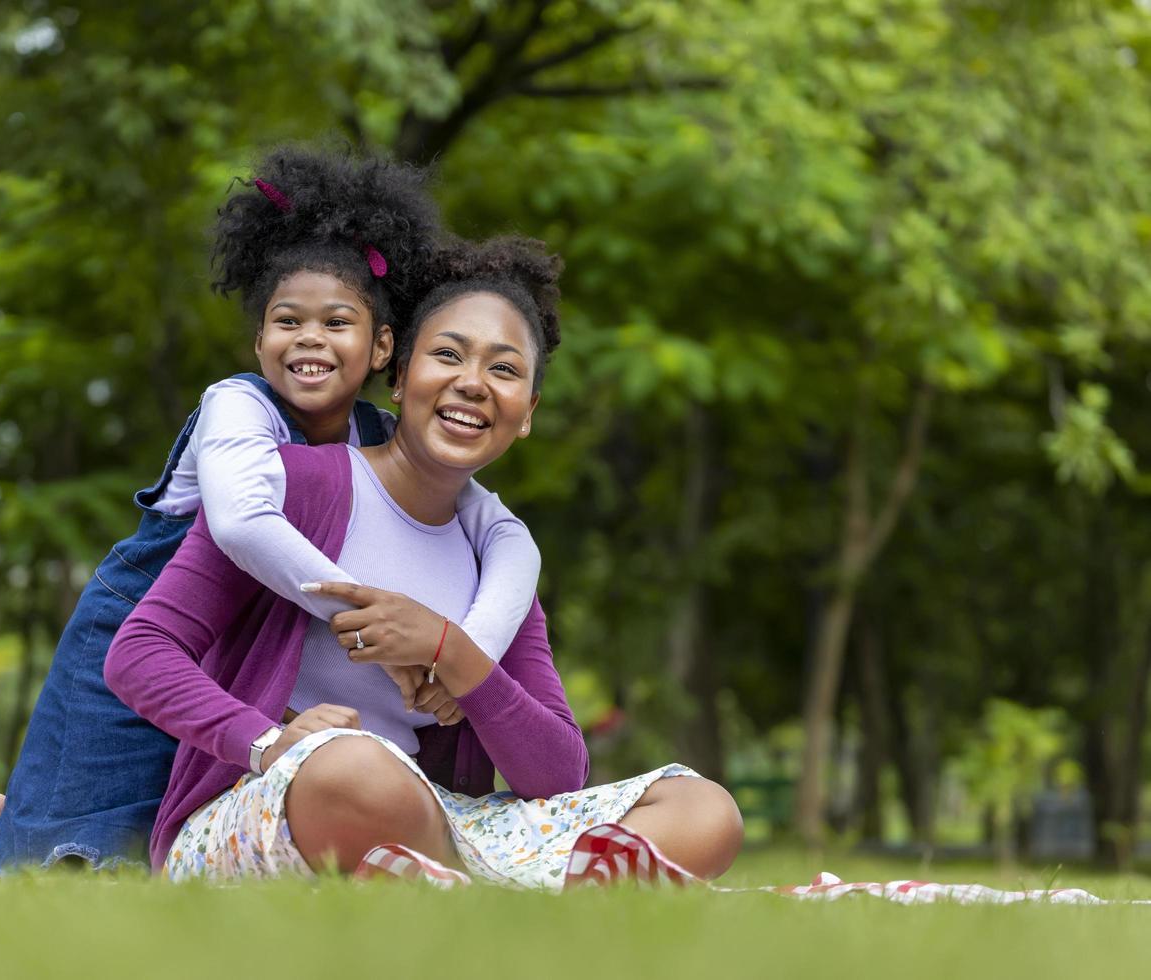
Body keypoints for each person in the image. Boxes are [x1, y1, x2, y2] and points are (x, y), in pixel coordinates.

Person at [0, 148, 542, 875]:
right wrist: (364, 623)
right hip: (147, 627)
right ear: (259, 338)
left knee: (158, 855)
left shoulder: (380, 436)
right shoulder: (237, 408)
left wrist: (457, 651)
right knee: (83, 850)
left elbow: (501, 531)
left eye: (338, 322)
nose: (311, 339)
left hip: (239, 651)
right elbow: (239, 525)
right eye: (287, 321)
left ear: (382, 346)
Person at [104, 237, 744, 889]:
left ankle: (462, 891)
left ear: (527, 414)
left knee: (704, 811)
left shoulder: (495, 560)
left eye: (504, 370)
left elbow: (556, 774)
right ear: (401, 373)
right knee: (352, 770)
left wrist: (450, 650)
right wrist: (270, 740)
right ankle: (521, 897)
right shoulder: (294, 488)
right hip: (268, 804)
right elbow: (140, 652)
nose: (472, 383)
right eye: (447, 355)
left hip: (438, 817)